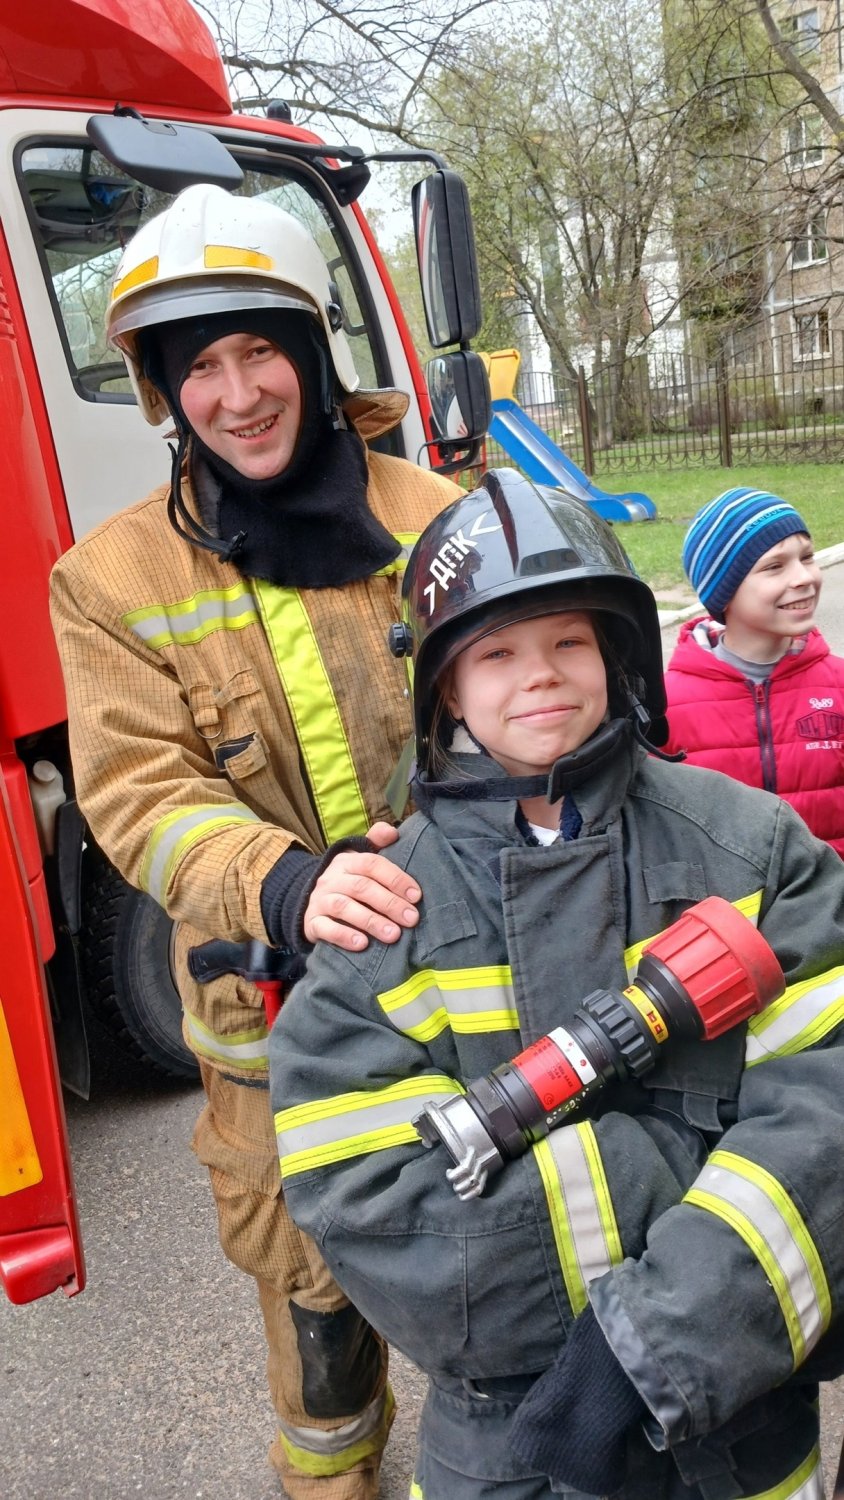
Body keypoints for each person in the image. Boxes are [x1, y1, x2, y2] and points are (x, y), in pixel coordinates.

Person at [269, 467, 844, 1500]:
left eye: (569, 642)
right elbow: (373, 1213)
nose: (539, 676)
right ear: (445, 688)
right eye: (495, 652)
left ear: (617, 656)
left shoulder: (753, 848)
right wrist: (687, 1164)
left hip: (742, 1438)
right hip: (505, 1450)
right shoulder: (387, 914)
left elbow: (828, 1121)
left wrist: (658, 1340)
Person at [49, 182, 462, 1499]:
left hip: (470, 987)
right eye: (200, 367)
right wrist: (280, 884)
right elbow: (136, 794)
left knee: (512, 1262)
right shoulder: (109, 581)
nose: (236, 395)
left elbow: (525, 703)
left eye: (258, 351)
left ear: (310, 351)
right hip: (272, 1029)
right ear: (164, 390)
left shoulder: (439, 513)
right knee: (317, 1318)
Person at [664, 485, 844, 855]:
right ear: (723, 591)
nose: (804, 577)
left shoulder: (839, 685)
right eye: (775, 566)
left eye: (807, 557)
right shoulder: (665, 706)